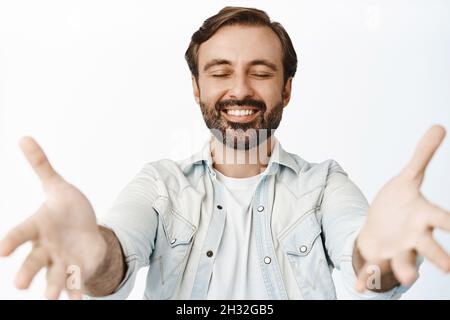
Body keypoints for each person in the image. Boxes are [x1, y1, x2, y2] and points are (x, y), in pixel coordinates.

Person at [0, 6, 449, 300]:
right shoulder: (160, 185)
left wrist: (381, 262)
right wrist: (92, 254)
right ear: (197, 87)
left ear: (287, 89)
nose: (239, 90)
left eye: (260, 72)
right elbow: (113, 261)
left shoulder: (324, 184)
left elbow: (368, 272)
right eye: (220, 72)